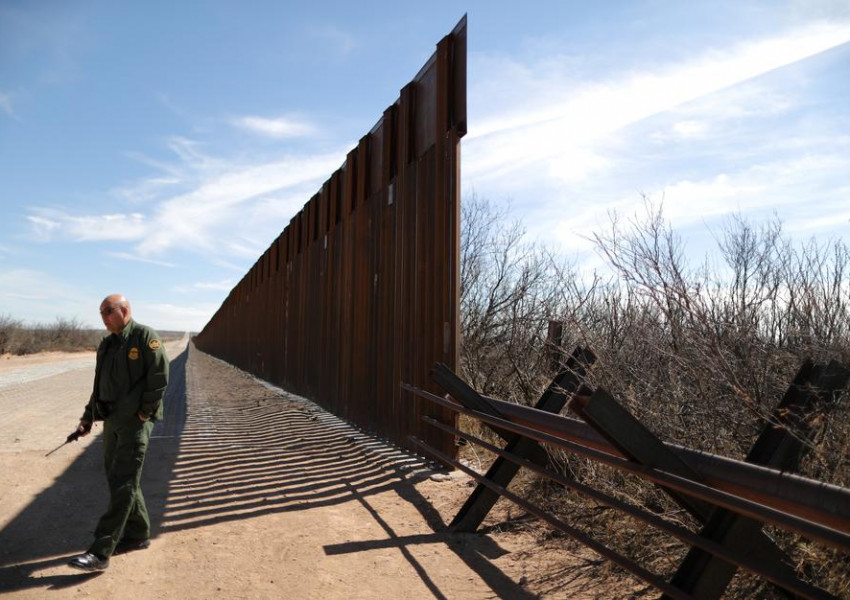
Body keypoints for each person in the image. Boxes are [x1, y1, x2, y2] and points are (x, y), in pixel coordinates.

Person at [67, 294, 169, 572]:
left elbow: (160, 378)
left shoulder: (145, 337)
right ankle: (138, 533)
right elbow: (99, 385)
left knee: (124, 480)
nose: (104, 316)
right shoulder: (107, 344)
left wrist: (143, 413)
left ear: (124, 310)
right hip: (112, 422)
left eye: (108, 311)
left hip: (135, 423)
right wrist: (87, 418)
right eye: (101, 312)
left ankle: (101, 551)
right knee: (119, 479)